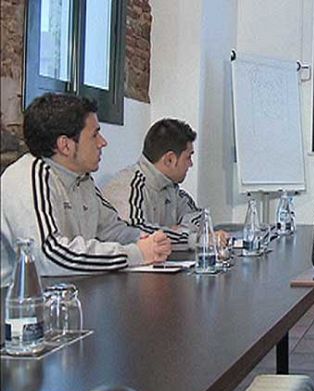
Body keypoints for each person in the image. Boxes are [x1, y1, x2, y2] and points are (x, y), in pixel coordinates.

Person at [1, 93, 171, 285]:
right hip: (16, 304)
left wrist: (150, 240)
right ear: (65, 145)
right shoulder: (29, 176)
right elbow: (49, 256)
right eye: (94, 135)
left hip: (65, 294)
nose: (102, 142)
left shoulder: (82, 179)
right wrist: (137, 253)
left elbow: (113, 229)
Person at [102, 118, 226, 248]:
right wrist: (192, 239)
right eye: (188, 157)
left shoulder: (170, 186)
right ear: (170, 159)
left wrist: (180, 230)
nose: (191, 164)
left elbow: (199, 218)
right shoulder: (130, 186)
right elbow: (136, 233)